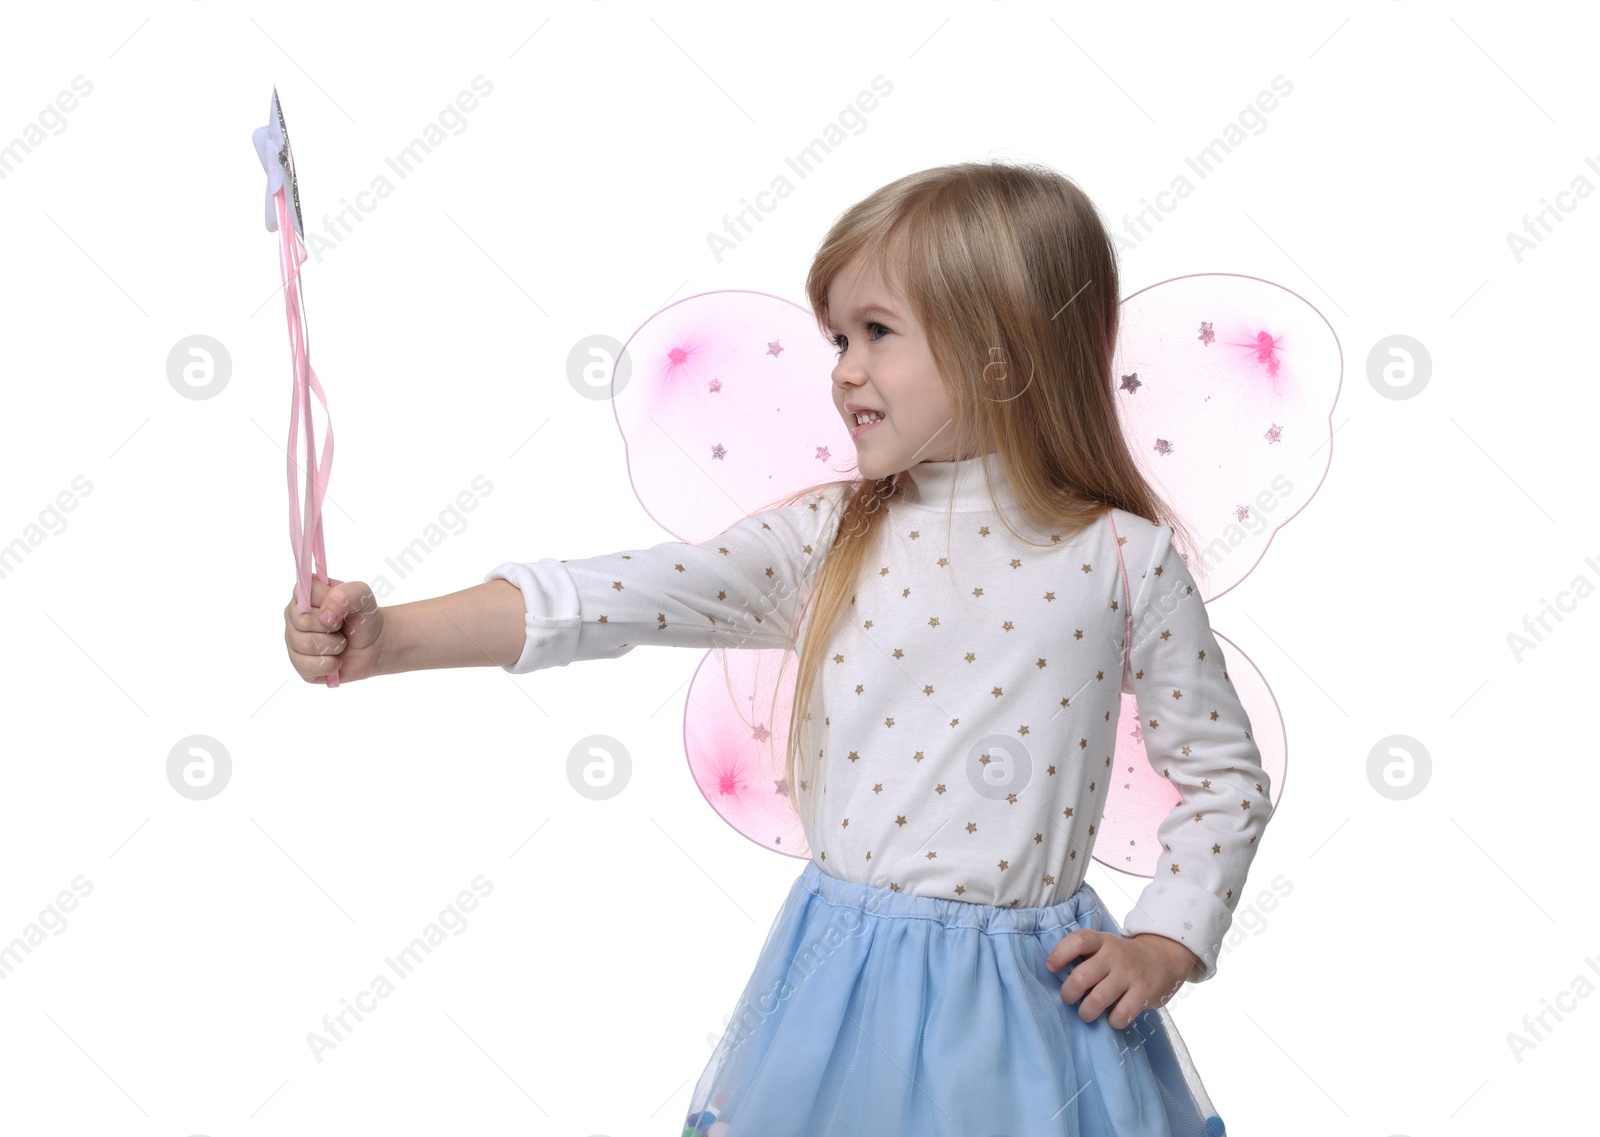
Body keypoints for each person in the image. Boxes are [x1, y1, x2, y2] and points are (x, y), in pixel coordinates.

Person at [284, 161, 1271, 1136]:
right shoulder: (832, 537)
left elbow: (1226, 775)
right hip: (843, 995)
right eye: (838, 336)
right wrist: (388, 638)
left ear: (1003, 359)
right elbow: (611, 597)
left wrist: (1165, 940)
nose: (841, 368)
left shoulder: (1119, 558)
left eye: (876, 333)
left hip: (1037, 1006)